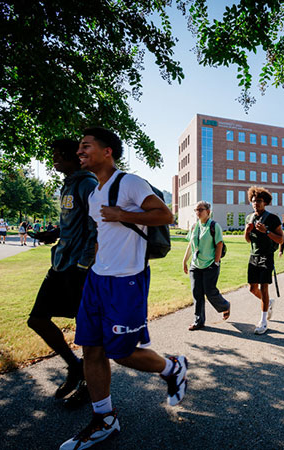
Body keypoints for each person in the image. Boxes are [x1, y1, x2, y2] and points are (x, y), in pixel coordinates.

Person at [60, 127, 186, 449]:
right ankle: (105, 419)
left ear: (107, 151)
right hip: (98, 279)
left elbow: (165, 214)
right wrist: (92, 269)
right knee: (91, 348)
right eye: (79, 147)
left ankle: (173, 367)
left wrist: (122, 213)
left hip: (127, 280)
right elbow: (103, 237)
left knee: (121, 352)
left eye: (85, 146)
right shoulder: (93, 193)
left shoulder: (128, 182)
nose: (79, 152)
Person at [27, 139, 99, 410]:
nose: (53, 159)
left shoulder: (87, 184)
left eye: (58, 155)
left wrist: (84, 265)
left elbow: (96, 227)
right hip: (59, 264)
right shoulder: (68, 184)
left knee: (87, 334)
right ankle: (75, 367)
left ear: (73, 157)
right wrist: (54, 233)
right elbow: (73, 222)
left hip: (78, 270)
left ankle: (90, 387)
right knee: (37, 319)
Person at [182, 201, 230, 331]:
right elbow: (190, 245)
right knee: (196, 293)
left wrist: (216, 262)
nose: (197, 212)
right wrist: (185, 260)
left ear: (208, 212)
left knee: (210, 291)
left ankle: (225, 306)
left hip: (210, 264)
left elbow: (219, 244)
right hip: (195, 265)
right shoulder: (194, 227)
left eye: (200, 210)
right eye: (196, 210)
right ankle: (199, 321)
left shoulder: (214, 226)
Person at [244, 186, 284, 335]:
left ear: (265, 202)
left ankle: (263, 321)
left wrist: (266, 231)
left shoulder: (273, 218)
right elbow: (248, 240)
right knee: (252, 288)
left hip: (266, 257)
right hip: (253, 256)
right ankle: (269, 302)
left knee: (264, 287)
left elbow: (281, 239)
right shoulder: (249, 218)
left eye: (259, 201)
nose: (256, 204)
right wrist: (247, 231)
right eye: (253, 201)